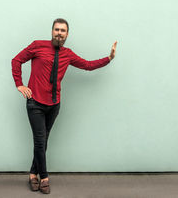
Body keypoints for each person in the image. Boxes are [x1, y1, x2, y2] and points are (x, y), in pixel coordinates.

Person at [11, 18, 117, 194]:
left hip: (54, 104)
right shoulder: (37, 45)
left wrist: (108, 58)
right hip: (35, 103)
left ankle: (32, 174)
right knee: (39, 140)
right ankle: (43, 177)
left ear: (67, 34)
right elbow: (16, 60)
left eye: (63, 31)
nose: (59, 33)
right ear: (52, 31)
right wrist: (19, 84)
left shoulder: (68, 54)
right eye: (56, 30)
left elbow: (88, 65)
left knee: (43, 141)